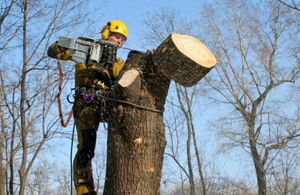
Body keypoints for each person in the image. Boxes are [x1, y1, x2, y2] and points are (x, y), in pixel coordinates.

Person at [47, 20, 127, 195]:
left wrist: (109, 61)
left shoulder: (119, 61)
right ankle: (84, 190)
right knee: (87, 146)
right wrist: (74, 46)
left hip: (109, 104)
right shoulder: (87, 50)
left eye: (122, 39)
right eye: (117, 36)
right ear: (106, 33)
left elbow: (119, 76)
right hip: (88, 101)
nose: (119, 41)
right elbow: (54, 52)